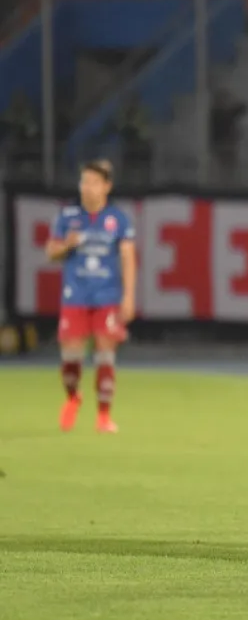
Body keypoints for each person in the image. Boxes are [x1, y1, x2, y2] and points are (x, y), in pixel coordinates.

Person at [46, 160, 136, 434]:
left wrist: (129, 296)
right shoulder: (67, 217)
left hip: (107, 296)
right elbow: (50, 252)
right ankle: (73, 397)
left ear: (106, 187)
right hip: (75, 295)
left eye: (94, 182)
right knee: (71, 357)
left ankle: (104, 416)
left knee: (105, 355)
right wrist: (66, 245)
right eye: (84, 181)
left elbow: (128, 258)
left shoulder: (118, 220)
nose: (88, 188)